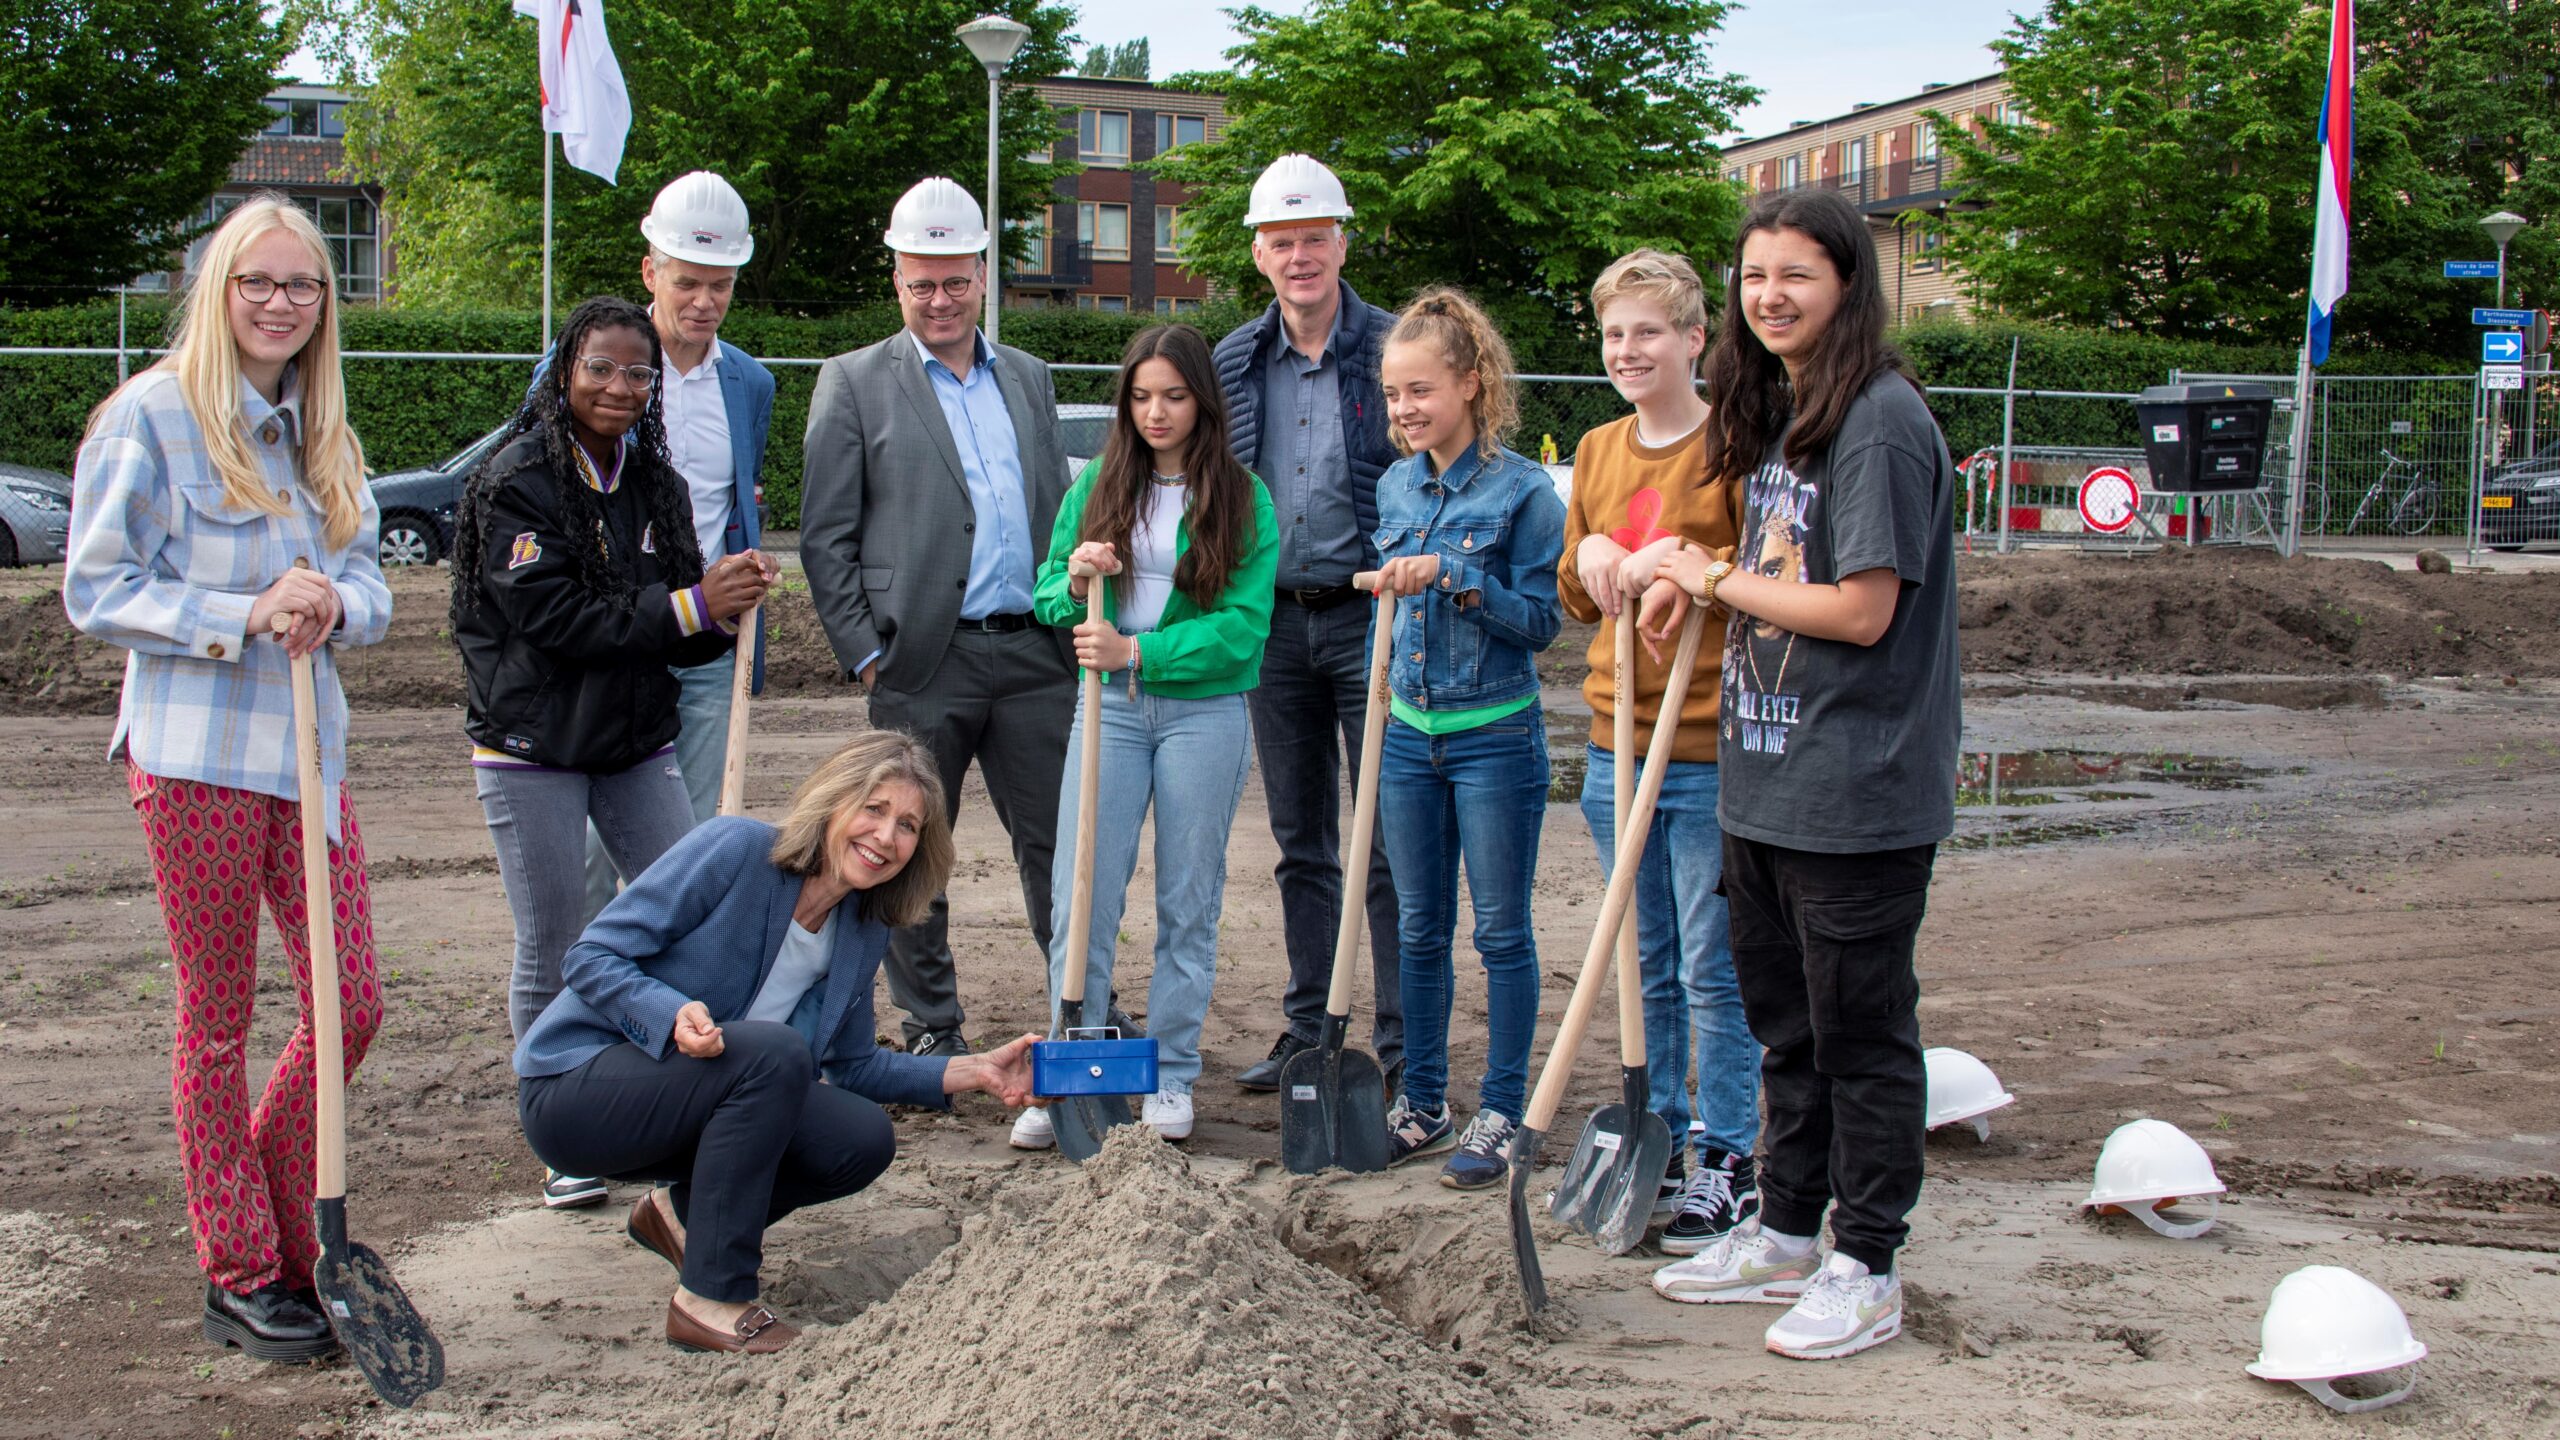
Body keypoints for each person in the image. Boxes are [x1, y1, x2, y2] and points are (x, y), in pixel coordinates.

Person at [64, 194, 392, 1363]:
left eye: (302, 285)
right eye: (257, 282)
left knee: (351, 1002)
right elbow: (97, 589)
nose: (279, 303)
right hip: (194, 757)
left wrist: (337, 600)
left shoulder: (323, 425)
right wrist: (240, 614)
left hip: (308, 757)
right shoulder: (149, 419)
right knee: (214, 1020)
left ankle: (273, 1215)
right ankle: (246, 1266)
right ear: (217, 289)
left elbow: (373, 584)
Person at [1636, 189, 1961, 1361]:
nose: (1768, 295)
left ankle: (1865, 1261)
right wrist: (1702, 569)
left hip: (1858, 789)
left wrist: (1712, 581)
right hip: (1766, 774)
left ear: (1847, 285)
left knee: (1862, 1037)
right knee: (1786, 1032)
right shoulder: (1788, 413)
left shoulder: (1876, 419)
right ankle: (1783, 1231)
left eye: (1797, 275)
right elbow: (1782, 554)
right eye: (1754, 274)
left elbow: (1862, 610)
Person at [514, 732, 1040, 1354]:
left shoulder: (861, 926)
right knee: (776, 1055)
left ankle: (682, 1219)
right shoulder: (735, 848)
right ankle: (709, 1298)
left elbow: (853, 1066)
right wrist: (670, 1011)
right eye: (873, 809)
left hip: (699, 1106)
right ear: (833, 803)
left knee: (858, 1138)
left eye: (907, 826)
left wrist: (978, 1071)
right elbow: (591, 955)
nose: (885, 836)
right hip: (576, 1090)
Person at [451, 295, 777, 1208]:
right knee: (556, 940)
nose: (620, 386)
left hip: (634, 741)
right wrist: (692, 605)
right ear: (565, 370)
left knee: (684, 914)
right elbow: (551, 619)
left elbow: (680, 627)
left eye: (639, 373)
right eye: (601, 366)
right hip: (533, 746)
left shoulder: (658, 486)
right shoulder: (515, 478)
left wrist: (728, 609)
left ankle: (671, 1091)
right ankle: (560, 1127)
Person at [802, 178, 1078, 1059]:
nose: (940, 299)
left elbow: (1053, 505)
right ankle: (930, 1022)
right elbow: (825, 535)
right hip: (921, 660)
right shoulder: (851, 383)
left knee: (1061, 845)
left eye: (956, 280)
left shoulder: (1029, 379)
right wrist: (864, 656)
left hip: (1035, 654)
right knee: (906, 848)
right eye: (921, 282)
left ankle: (1077, 1004)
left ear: (984, 276)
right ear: (897, 281)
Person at [1008, 324, 1279, 1150]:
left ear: (1202, 400)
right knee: (1082, 892)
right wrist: (1080, 573)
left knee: (1187, 900)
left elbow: (1244, 628)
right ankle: (1074, 1069)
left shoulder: (1243, 496)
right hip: (1110, 712)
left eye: (1174, 395)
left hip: (1204, 712)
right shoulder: (1094, 481)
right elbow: (1048, 590)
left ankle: (1169, 1074)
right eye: (1140, 395)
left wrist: (1141, 649)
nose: (1155, 412)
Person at [1557, 249, 1758, 1252]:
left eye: (1646, 331)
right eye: (1612, 334)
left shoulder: (1738, 442)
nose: (1626, 351)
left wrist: (1699, 570)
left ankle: (1732, 1153)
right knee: (1643, 962)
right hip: (1614, 742)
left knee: (1711, 968)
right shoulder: (1596, 450)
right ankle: (1661, 1137)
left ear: (1693, 339)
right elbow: (1570, 586)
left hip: (1706, 745)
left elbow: (1766, 568)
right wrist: (1591, 555)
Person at [1210, 153, 1405, 1094]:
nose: (1300, 257)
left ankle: (1405, 1043)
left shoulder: (1397, 350)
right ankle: (1308, 1027)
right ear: (1259, 252)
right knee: (1304, 842)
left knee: (1388, 839)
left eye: (1314, 239)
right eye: (1282, 242)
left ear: (1341, 241)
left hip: (1376, 618)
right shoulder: (1234, 362)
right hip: (1276, 627)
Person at [1369, 288, 1566, 1190]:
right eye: (1393, 394)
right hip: (1409, 735)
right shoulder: (1395, 484)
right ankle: (1424, 1101)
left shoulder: (1524, 491)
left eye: (1420, 390)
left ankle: (1503, 1107)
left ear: (1472, 383)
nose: (1404, 410)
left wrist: (1453, 574)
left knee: (1500, 933)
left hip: (1495, 738)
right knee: (1416, 929)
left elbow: (1540, 625)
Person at [573, 171, 779, 918]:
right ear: (649, 272)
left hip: (704, 641)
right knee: (592, 848)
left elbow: (736, 504)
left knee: (683, 840)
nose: (704, 302)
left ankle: (659, 1011)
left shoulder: (750, 385)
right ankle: (577, 1011)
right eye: (688, 282)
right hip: (607, 641)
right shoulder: (592, 372)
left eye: (720, 286)